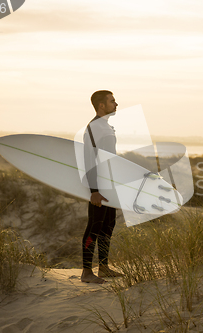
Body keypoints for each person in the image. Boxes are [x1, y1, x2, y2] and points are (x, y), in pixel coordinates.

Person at [81, 90, 123, 284]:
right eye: (112, 101)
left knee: (108, 226)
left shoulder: (106, 127)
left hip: (109, 186)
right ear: (101, 106)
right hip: (99, 186)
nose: (116, 104)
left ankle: (104, 267)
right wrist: (94, 191)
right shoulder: (94, 127)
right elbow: (89, 160)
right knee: (94, 228)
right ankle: (87, 271)